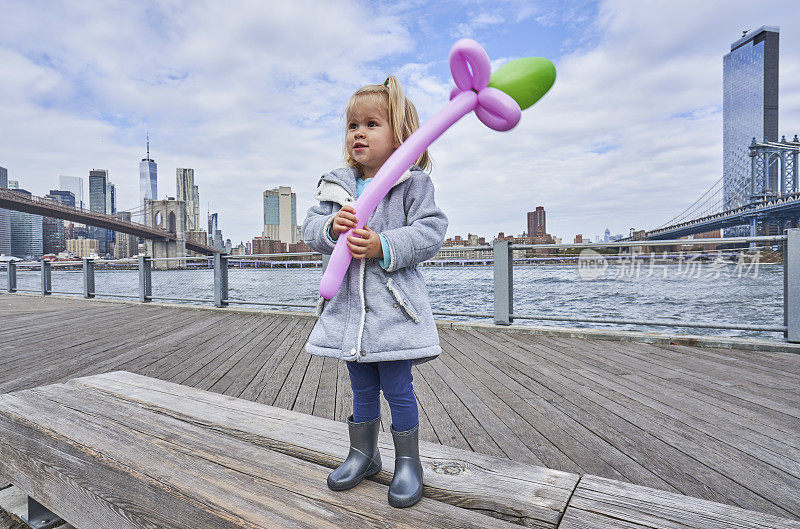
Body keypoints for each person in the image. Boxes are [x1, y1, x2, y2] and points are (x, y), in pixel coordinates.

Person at [301, 75, 448, 508]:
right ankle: (363, 453)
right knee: (360, 386)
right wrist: (331, 227)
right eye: (352, 126)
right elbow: (309, 229)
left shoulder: (412, 184)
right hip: (350, 309)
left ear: (401, 136)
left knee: (398, 386)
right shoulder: (335, 186)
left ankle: (408, 462)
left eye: (371, 124)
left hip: (392, 309)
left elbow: (432, 231)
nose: (358, 133)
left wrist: (385, 244)